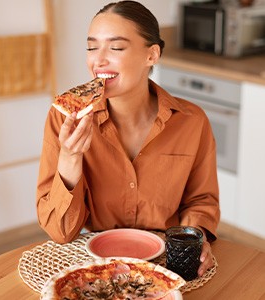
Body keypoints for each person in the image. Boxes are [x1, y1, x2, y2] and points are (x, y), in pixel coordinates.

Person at [36, 0, 220, 278]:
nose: (98, 60)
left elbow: (201, 200)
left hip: (167, 265)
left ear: (152, 55)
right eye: (91, 46)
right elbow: (60, 233)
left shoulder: (192, 121)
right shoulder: (63, 119)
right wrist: (70, 158)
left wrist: (195, 238)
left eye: (116, 47)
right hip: (97, 264)